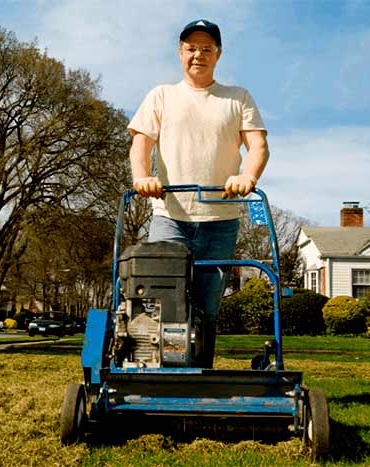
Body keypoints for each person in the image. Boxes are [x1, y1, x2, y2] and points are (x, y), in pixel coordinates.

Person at [127, 19, 269, 368]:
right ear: (180, 53)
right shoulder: (161, 95)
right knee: (161, 301)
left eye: (207, 49)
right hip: (169, 216)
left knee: (206, 308)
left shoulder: (238, 98)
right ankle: (152, 372)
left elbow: (258, 146)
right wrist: (143, 177)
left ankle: (198, 374)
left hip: (220, 220)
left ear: (217, 55)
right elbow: (140, 144)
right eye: (191, 48)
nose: (198, 55)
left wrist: (247, 176)